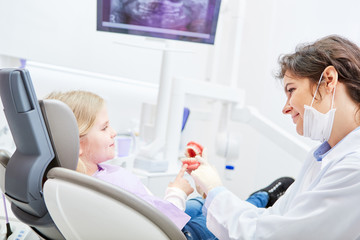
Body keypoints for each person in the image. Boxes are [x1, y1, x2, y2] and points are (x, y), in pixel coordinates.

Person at [45, 90, 293, 239]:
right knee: (223, 217)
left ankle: (251, 199)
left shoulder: (74, 181)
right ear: (76, 143)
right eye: (104, 127)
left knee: (199, 203)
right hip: (180, 235)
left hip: (161, 221)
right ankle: (262, 198)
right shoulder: (110, 185)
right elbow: (161, 225)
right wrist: (176, 193)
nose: (113, 132)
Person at [184, 35, 360, 239]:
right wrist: (210, 191)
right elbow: (274, 221)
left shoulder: (354, 168)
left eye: (291, 90)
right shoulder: (320, 157)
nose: (286, 109)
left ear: (328, 80)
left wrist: (215, 189)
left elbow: (271, 236)